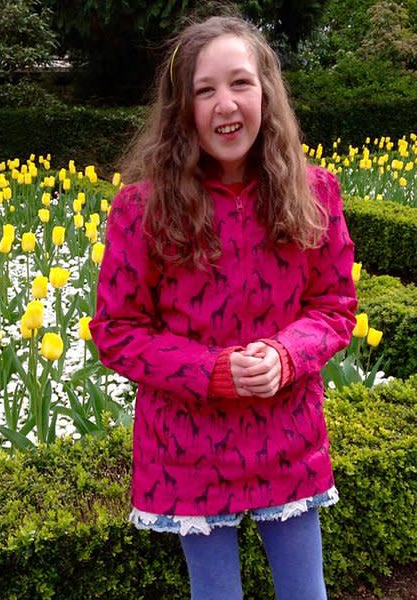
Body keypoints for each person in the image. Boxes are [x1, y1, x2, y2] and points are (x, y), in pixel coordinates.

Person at [90, 14, 358, 600]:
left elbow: (336, 307)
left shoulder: (314, 193)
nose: (225, 103)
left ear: (266, 91)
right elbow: (117, 330)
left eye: (240, 83)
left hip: (285, 434)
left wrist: (286, 355)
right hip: (188, 446)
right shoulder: (142, 209)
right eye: (204, 89)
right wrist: (212, 371)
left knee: (305, 594)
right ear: (181, 108)